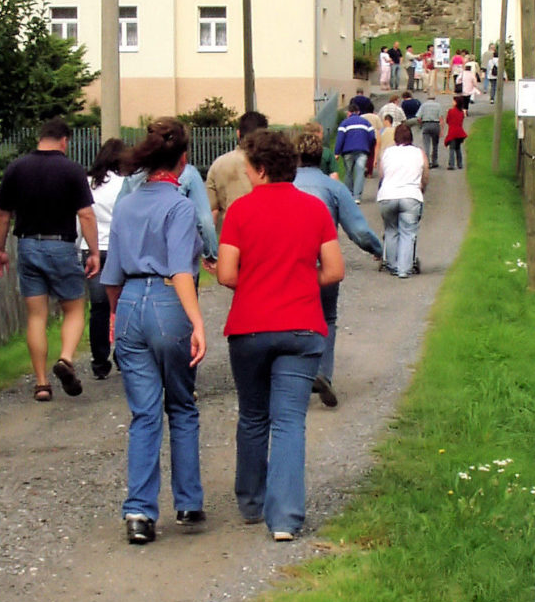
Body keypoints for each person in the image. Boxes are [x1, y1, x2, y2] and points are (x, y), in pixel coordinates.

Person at [218, 129, 344, 540]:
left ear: (260, 170)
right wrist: (303, 283)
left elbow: (225, 274)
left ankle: (252, 503)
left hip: (251, 328)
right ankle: (286, 518)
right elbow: (335, 269)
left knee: (253, 416)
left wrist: (257, 283)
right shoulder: (314, 209)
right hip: (302, 325)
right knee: (289, 422)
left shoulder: (239, 212)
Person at [102, 119, 207, 546]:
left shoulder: (127, 204)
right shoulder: (179, 206)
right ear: (182, 161)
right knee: (181, 405)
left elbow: (111, 275)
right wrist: (197, 321)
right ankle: (188, 501)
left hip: (128, 301)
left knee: (144, 413)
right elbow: (181, 269)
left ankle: (139, 512)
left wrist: (116, 315)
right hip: (167, 303)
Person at [0, 117, 100, 402]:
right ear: (65, 140)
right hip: (61, 246)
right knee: (75, 308)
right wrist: (94, 252)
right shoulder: (72, 170)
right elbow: (86, 214)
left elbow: (3, 214)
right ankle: (65, 358)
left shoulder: (16, 168)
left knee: (36, 316)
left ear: (40, 137)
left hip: (27, 245)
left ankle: (41, 384)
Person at [293, 124, 383, 408]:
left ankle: (291, 377)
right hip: (323, 265)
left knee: (290, 318)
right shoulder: (334, 187)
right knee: (326, 318)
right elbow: (358, 230)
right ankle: (322, 374)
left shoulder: (281, 185)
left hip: (288, 264)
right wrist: (378, 250)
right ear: (322, 156)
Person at [86, 137, 129, 379]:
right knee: (122, 304)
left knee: (99, 307)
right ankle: (123, 354)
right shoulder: (125, 184)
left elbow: (81, 217)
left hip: (92, 248)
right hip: (118, 247)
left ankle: (99, 360)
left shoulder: (88, 183)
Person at [377, 122, 429, 279]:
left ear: (395, 138)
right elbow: (425, 174)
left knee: (391, 229)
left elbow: (381, 175)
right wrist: (421, 189)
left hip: (387, 195)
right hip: (410, 195)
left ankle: (392, 264)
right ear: (411, 138)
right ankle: (404, 269)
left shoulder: (388, 152)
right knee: (407, 232)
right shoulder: (419, 153)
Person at [205, 110, 269, 232]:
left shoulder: (219, 164)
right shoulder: (271, 164)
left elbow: (211, 212)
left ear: (238, 133)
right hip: (263, 232)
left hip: (230, 232)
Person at [333, 105, 375, 203]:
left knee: (348, 172)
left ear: (349, 113)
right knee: (360, 173)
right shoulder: (366, 123)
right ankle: (357, 197)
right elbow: (372, 137)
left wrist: (337, 152)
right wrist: (367, 145)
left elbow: (340, 139)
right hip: (362, 150)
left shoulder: (344, 123)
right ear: (358, 112)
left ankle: (349, 194)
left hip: (347, 151)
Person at [416, 89, 445, 167]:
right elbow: (441, 119)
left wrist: (421, 124)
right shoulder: (438, 105)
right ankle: (435, 161)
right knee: (435, 144)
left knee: (426, 145)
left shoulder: (423, 105)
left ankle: (427, 161)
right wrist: (442, 130)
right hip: (435, 125)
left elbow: (418, 118)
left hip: (426, 124)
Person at [443, 101, 467, 170]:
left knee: (452, 148)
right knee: (458, 148)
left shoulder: (451, 111)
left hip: (452, 132)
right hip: (459, 132)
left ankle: (451, 164)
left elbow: (447, 120)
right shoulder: (461, 112)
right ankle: (460, 164)